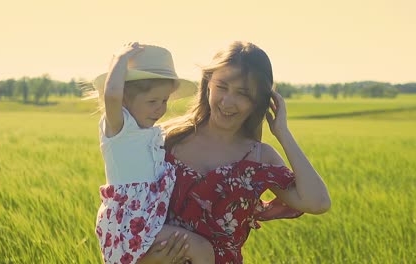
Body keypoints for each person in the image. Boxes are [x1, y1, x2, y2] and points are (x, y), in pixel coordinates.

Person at [144, 41, 331, 263]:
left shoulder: (259, 158)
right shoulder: (166, 139)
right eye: (222, 87)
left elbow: (317, 202)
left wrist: (282, 132)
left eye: (242, 93)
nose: (228, 102)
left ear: (258, 101)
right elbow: (124, 209)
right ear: (208, 84)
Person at [90, 42, 214, 264]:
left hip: (147, 221)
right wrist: (119, 59)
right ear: (125, 99)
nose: (161, 108)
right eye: (152, 101)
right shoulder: (120, 129)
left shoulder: (152, 134)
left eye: (165, 100)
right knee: (202, 250)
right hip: (129, 224)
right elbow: (111, 95)